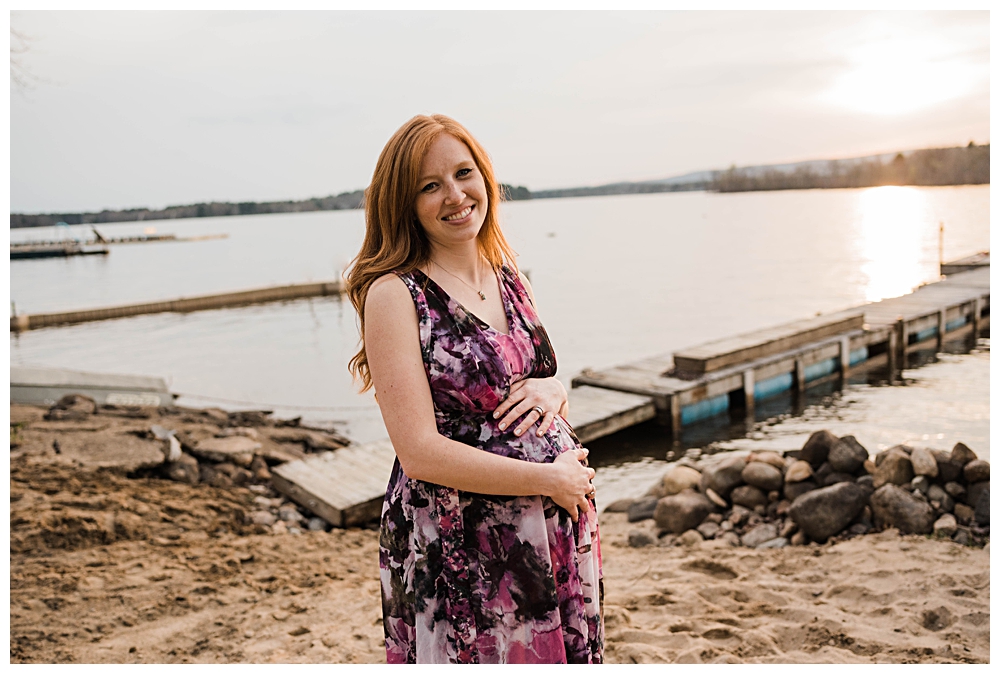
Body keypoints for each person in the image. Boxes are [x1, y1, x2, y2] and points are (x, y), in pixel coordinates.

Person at [346, 114, 604, 664]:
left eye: (465, 173)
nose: (456, 195)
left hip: (549, 526)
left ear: (486, 177)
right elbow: (418, 452)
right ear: (404, 202)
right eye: (430, 185)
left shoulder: (508, 274)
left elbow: (530, 380)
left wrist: (554, 392)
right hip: (461, 537)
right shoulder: (396, 295)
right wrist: (547, 478)